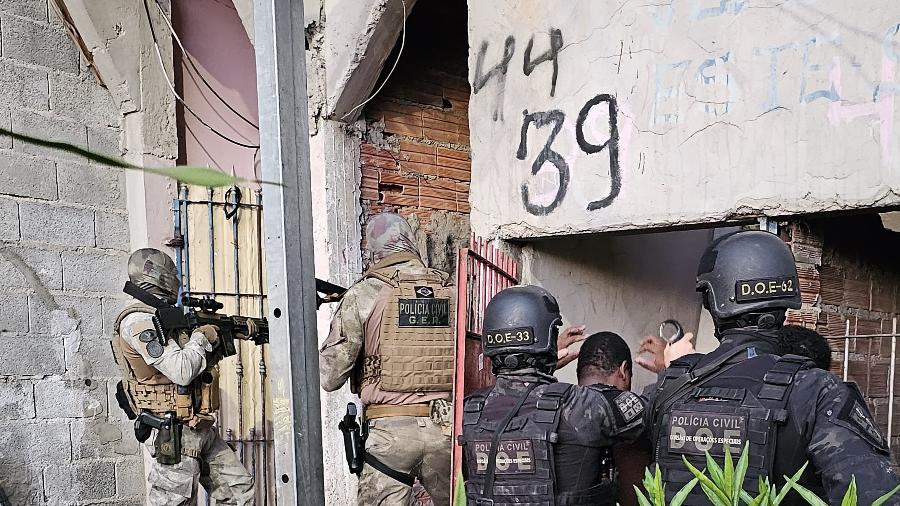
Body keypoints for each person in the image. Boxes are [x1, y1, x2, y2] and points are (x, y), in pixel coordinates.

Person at [645, 230, 899, 504]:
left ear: (710, 301)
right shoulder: (816, 392)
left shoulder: (670, 386)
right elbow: (875, 496)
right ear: (786, 300)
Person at [459, 285, 646, 505]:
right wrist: (674, 363)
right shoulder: (580, 405)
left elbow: (512, 396)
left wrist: (543, 367)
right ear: (548, 338)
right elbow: (652, 411)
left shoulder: (472, 410)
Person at [319, 213, 456, 506]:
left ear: (374, 249)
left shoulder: (363, 293)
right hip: (445, 431)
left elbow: (330, 377)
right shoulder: (450, 290)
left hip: (389, 434)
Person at [111, 248, 254, 505]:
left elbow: (194, 364)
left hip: (198, 424)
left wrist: (226, 335)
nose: (177, 279)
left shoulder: (163, 317)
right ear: (159, 276)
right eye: (173, 273)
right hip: (171, 431)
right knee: (175, 500)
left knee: (239, 493)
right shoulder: (138, 321)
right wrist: (202, 337)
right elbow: (182, 370)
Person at [576, 331, 648, 506]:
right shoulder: (637, 414)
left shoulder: (551, 406)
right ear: (623, 370)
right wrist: (673, 370)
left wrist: (548, 365)